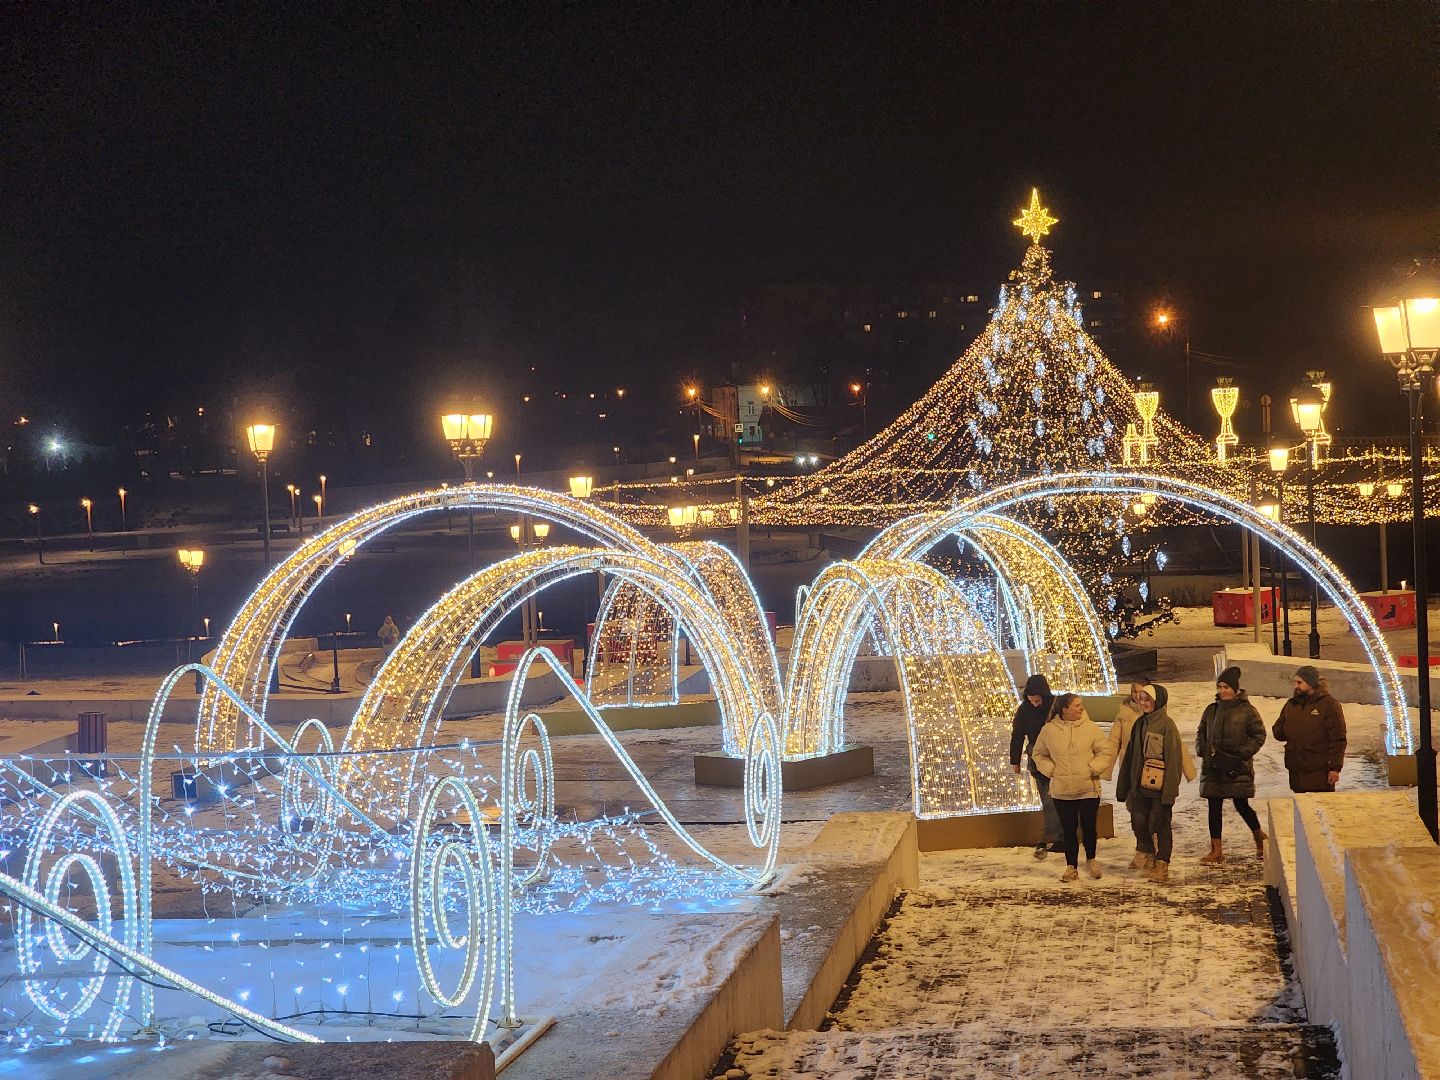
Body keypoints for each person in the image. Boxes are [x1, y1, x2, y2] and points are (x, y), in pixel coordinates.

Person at [1031, 692, 1116, 882]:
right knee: (1068, 830)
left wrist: (1092, 768)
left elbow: (1105, 751)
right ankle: (1071, 866)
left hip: (1088, 789)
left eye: (1081, 705)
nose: (1081, 708)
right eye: (1077, 705)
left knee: (1089, 827)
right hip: (1062, 790)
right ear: (1064, 709)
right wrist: (1052, 770)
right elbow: (1038, 754)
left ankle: (1092, 859)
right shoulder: (1049, 731)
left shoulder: (1090, 728)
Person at [1115, 681, 1185, 884]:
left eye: (1148, 699)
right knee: (1138, 821)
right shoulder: (1140, 724)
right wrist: (1124, 786)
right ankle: (1147, 852)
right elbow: (1130, 757)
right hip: (1139, 786)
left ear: (1158, 701)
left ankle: (1162, 863)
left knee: (1162, 824)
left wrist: (1170, 791)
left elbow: (1174, 759)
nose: (1143, 702)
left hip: (1159, 786)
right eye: (1142, 698)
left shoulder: (1167, 725)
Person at [1197, 665, 1267, 864]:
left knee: (1241, 804)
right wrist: (1202, 749)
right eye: (1220, 687)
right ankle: (1216, 850)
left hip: (1237, 768)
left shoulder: (1247, 711)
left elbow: (1259, 735)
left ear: (1235, 688)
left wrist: (1242, 754)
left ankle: (1259, 837)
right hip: (1213, 768)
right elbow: (1201, 732)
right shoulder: (1211, 710)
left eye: (1227, 687)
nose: (1223, 691)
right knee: (1214, 806)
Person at [1009, 673, 1062, 859]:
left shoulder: (1056, 707)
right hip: (1037, 761)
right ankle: (1057, 838)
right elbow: (1017, 735)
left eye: (1037, 700)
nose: (1034, 704)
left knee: (1060, 799)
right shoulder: (1024, 710)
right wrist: (1014, 761)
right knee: (1048, 799)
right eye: (1031, 701)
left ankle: (1059, 837)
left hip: (1059, 758)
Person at [1272, 665, 1346, 793]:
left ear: (1311, 684)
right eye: (1294, 682)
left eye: (1300, 682)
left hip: (1319, 772)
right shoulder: (1291, 705)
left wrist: (1334, 768)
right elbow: (1278, 733)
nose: (1296, 686)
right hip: (1296, 771)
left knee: (1319, 810)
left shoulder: (1328, 705)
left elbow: (1338, 739)